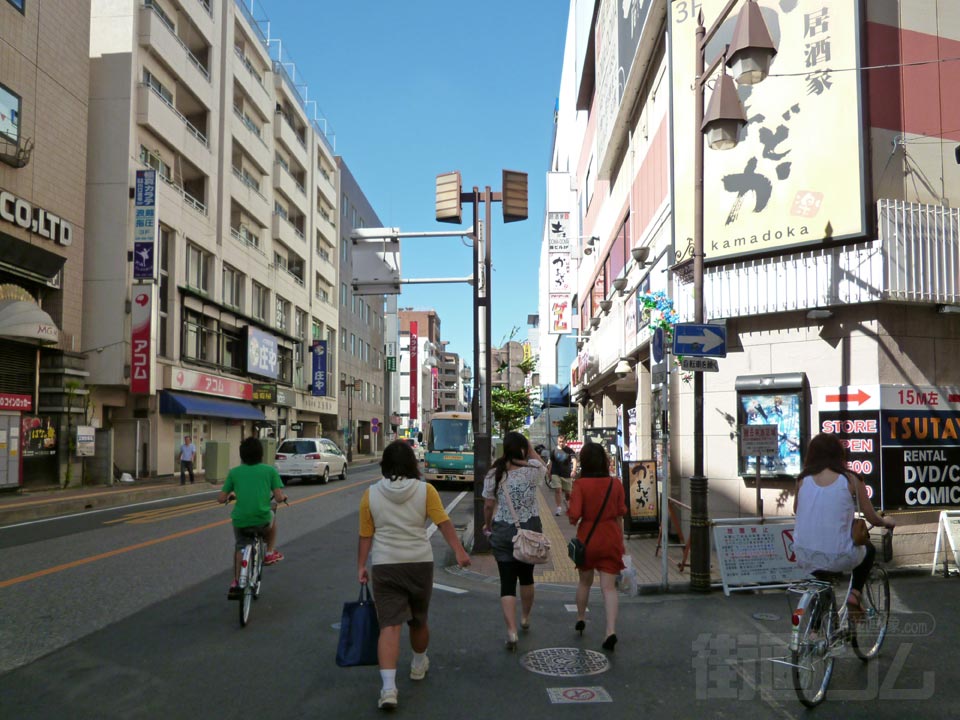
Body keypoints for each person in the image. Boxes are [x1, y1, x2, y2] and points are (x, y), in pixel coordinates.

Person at [357, 440, 471, 711]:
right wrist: (459, 552)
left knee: (389, 626)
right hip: (419, 563)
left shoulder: (370, 495)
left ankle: (388, 689)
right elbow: (443, 522)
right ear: (412, 464)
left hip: (385, 565)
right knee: (418, 621)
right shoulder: (426, 491)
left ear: (385, 466)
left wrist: (361, 566)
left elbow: (365, 534)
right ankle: (419, 664)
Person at [793, 433, 894, 616]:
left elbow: (796, 509)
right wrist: (887, 522)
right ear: (839, 454)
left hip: (803, 553)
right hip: (839, 554)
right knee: (869, 549)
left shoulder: (802, 479)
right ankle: (855, 594)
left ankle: (815, 633)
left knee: (822, 584)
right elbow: (872, 518)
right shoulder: (851, 479)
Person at [481, 431, 547, 651]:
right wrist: (528, 447)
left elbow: (488, 505)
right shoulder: (532, 471)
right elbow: (544, 468)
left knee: (507, 582)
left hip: (502, 530)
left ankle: (511, 631)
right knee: (527, 577)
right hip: (529, 531)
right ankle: (525, 618)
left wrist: (487, 525)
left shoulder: (494, 473)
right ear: (522, 449)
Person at [568, 442, 626, 652]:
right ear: (604, 460)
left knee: (585, 583)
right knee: (608, 588)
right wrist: (621, 543)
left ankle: (581, 617)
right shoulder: (616, 484)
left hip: (588, 540)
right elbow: (620, 514)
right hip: (611, 537)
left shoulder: (581, 485)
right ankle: (610, 630)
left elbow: (574, 517)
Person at [217, 437, 287, 597]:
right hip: (262, 520)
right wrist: (283, 498)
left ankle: (236, 581)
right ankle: (269, 552)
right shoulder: (270, 471)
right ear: (261, 454)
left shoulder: (234, 472)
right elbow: (277, 497)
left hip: (240, 521)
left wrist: (230, 496)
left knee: (240, 546)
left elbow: (220, 498)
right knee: (273, 513)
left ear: (242, 455)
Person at [547, 435, 575, 516]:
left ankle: (566, 501)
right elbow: (551, 462)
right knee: (558, 489)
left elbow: (574, 460)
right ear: (557, 441)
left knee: (568, 493)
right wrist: (549, 472)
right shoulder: (554, 451)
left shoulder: (569, 451)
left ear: (565, 441)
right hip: (556, 473)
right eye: (559, 441)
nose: (561, 443)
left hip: (566, 474)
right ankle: (559, 507)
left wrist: (573, 470)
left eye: (562, 441)